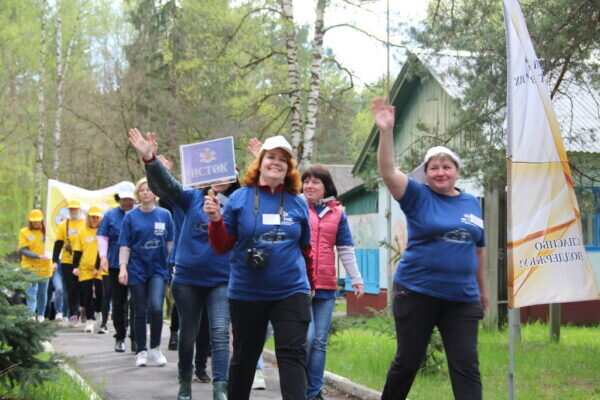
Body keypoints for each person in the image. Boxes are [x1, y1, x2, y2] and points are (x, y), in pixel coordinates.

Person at [371, 97, 488, 400]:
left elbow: (478, 250)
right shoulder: (417, 195)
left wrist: (483, 291)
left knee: (466, 366)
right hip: (417, 292)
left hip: (461, 299)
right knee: (408, 362)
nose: (440, 172)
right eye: (434, 167)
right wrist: (385, 132)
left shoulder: (471, 202)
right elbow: (387, 170)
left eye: (446, 167)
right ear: (426, 173)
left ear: (456, 171)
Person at [204, 135, 316, 400]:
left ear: (289, 168)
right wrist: (215, 221)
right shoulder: (240, 199)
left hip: (291, 291)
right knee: (245, 358)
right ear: (260, 162)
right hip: (247, 293)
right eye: (271, 157)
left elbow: (306, 249)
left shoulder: (298, 202)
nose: (276, 163)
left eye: (282, 159)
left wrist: (310, 284)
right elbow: (222, 246)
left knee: (293, 355)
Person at [128, 128, 235, 400]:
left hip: (222, 279)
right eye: (215, 172)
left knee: (220, 332)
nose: (220, 177)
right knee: (188, 333)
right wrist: (150, 159)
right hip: (187, 279)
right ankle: (184, 383)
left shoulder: (238, 202)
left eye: (226, 171)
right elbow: (165, 186)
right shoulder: (190, 197)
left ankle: (220, 389)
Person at [302, 165, 365, 400]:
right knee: (306, 339)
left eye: (315, 182)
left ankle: (313, 392)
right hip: (300, 285)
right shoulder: (296, 207)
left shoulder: (337, 213)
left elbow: (345, 248)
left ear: (326, 186)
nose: (309, 185)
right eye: (306, 181)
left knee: (319, 341)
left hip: (327, 285)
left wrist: (356, 278)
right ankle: (298, 386)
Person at [118, 177, 174, 368]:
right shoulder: (130, 217)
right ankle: (141, 350)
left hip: (158, 269)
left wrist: (173, 267)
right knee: (139, 310)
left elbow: (170, 244)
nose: (146, 193)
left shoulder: (165, 215)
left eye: (149, 189)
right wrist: (123, 268)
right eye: (142, 190)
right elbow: (125, 245)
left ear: (155, 193)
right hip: (137, 269)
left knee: (156, 307)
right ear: (137, 195)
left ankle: (155, 348)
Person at [97, 191, 136, 351]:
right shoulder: (110, 215)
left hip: (136, 263)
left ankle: (136, 336)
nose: (127, 203)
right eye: (124, 200)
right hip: (115, 263)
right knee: (119, 301)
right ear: (119, 200)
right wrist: (103, 257)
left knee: (136, 302)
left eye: (130, 200)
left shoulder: (139, 213)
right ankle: (120, 336)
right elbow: (102, 237)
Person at [72, 205, 105, 333]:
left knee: (101, 294)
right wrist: (75, 266)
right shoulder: (82, 231)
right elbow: (78, 251)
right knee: (86, 295)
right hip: (85, 268)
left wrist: (97, 267)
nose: (94, 219)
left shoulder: (103, 231)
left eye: (97, 217)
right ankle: (90, 320)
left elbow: (101, 250)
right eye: (92, 217)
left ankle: (98, 312)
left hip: (101, 267)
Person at [52, 200, 86, 325]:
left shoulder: (85, 223)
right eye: (71, 209)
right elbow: (58, 244)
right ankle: (73, 313)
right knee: (71, 288)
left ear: (80, 210)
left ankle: (83, 309)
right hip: (68, 261)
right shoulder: (63, 225)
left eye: (75, 209)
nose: (73, 211)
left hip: (83, 261)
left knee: (83, 287)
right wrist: (55, 261)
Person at [19, 209, 52, 322]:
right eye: (34, 221)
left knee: (43, 293)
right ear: (30, 221)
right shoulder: (24, 232)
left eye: (38, 221)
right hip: (30, 267)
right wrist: (37, 256)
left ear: (42, 221)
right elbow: (23, 249)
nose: (36, 223)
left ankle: (41, 315)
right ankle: (31, 315)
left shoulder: (48, 232)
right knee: (32, 291)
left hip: (45, 267)